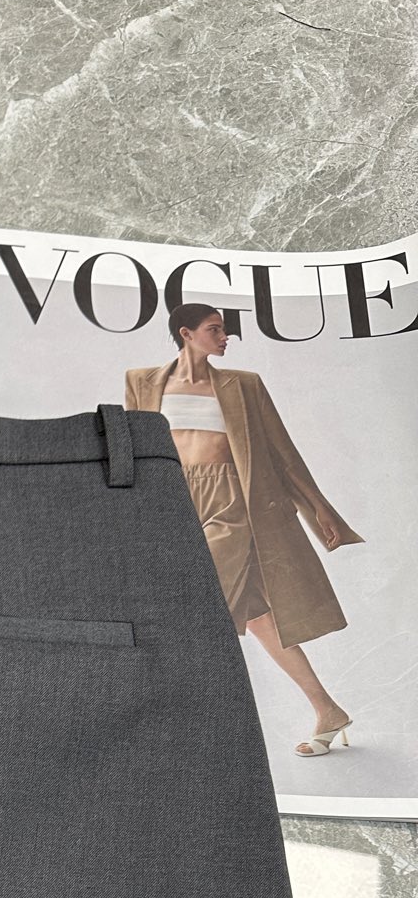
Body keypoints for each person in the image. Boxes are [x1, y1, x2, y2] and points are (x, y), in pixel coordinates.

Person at [126, 303, 364, 757]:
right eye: (214, 329)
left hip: (230, 501)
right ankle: (328, 709)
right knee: (256, 617)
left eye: (225, 330)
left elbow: (282, 452)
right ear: (186, 333)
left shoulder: (244, 385)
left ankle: (179, 723)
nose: (225, 337)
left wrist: (319, 507)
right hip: (173, 501)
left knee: (195, 603)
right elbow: (136, 454)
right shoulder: (142, 382)